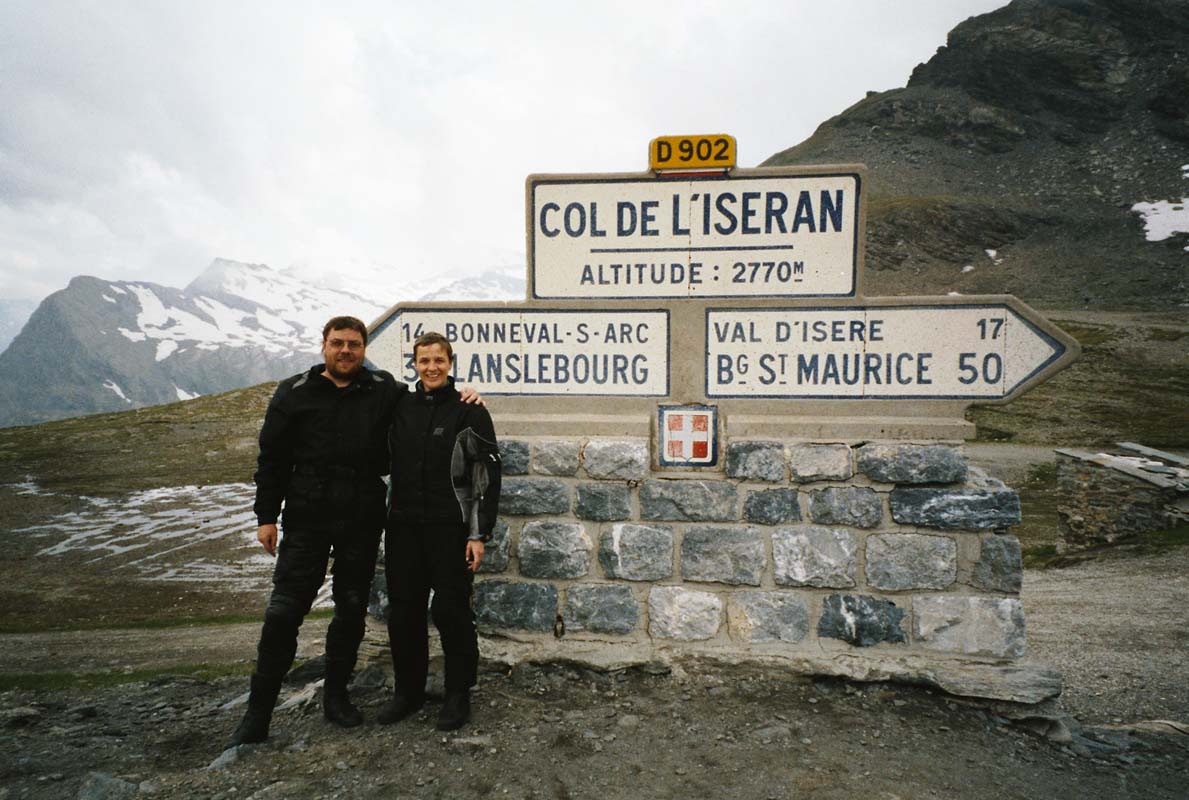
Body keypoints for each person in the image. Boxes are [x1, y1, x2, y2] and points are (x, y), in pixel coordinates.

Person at [227, 316, 480, 748]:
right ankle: (258, 712)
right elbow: (272, 459)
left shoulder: (383, 390)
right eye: (338, 344)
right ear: (323, 345)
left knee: (349, 612)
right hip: (306, 518)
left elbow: (430, 396)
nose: (346, 351)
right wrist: (265, 516)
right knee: (284, 612)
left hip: (360, 522)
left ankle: (336, 696)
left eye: (354, 345)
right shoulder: (295, 392)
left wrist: (465, 393)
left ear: (365, 349)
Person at [379, 331, 501, 731]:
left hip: (451, 531)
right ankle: (408, 692)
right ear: (413, 364)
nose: (431, 367)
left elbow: (486, 475)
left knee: (451, 613)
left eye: (439, 360)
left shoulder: (469, 410)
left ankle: (458, 694)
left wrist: (477, 534)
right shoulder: (401, 405)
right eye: (423, 360)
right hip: (404, 529)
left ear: (451, 364)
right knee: (404, 614)